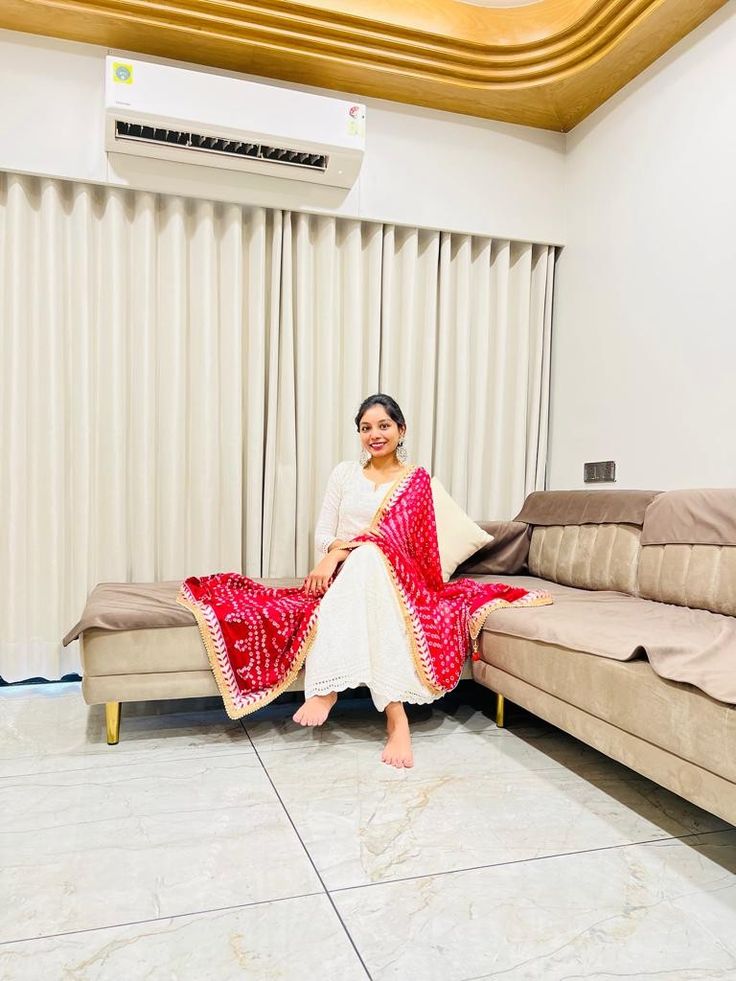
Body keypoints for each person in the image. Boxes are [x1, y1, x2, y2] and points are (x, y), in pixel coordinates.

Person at [179, 394, 550, 770]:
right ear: (359, 434)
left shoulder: (415, 481)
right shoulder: (344, 474)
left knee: (373, 555)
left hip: (396, 577)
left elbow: (409, 546)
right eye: (366, 428)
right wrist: (336, 554)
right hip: (347, 577)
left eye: (384, 426)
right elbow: (323, 534)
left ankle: (329, 690)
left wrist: (339, 553)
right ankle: (396, 718)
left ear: (401, 430)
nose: (375, 434)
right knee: (367, 559)